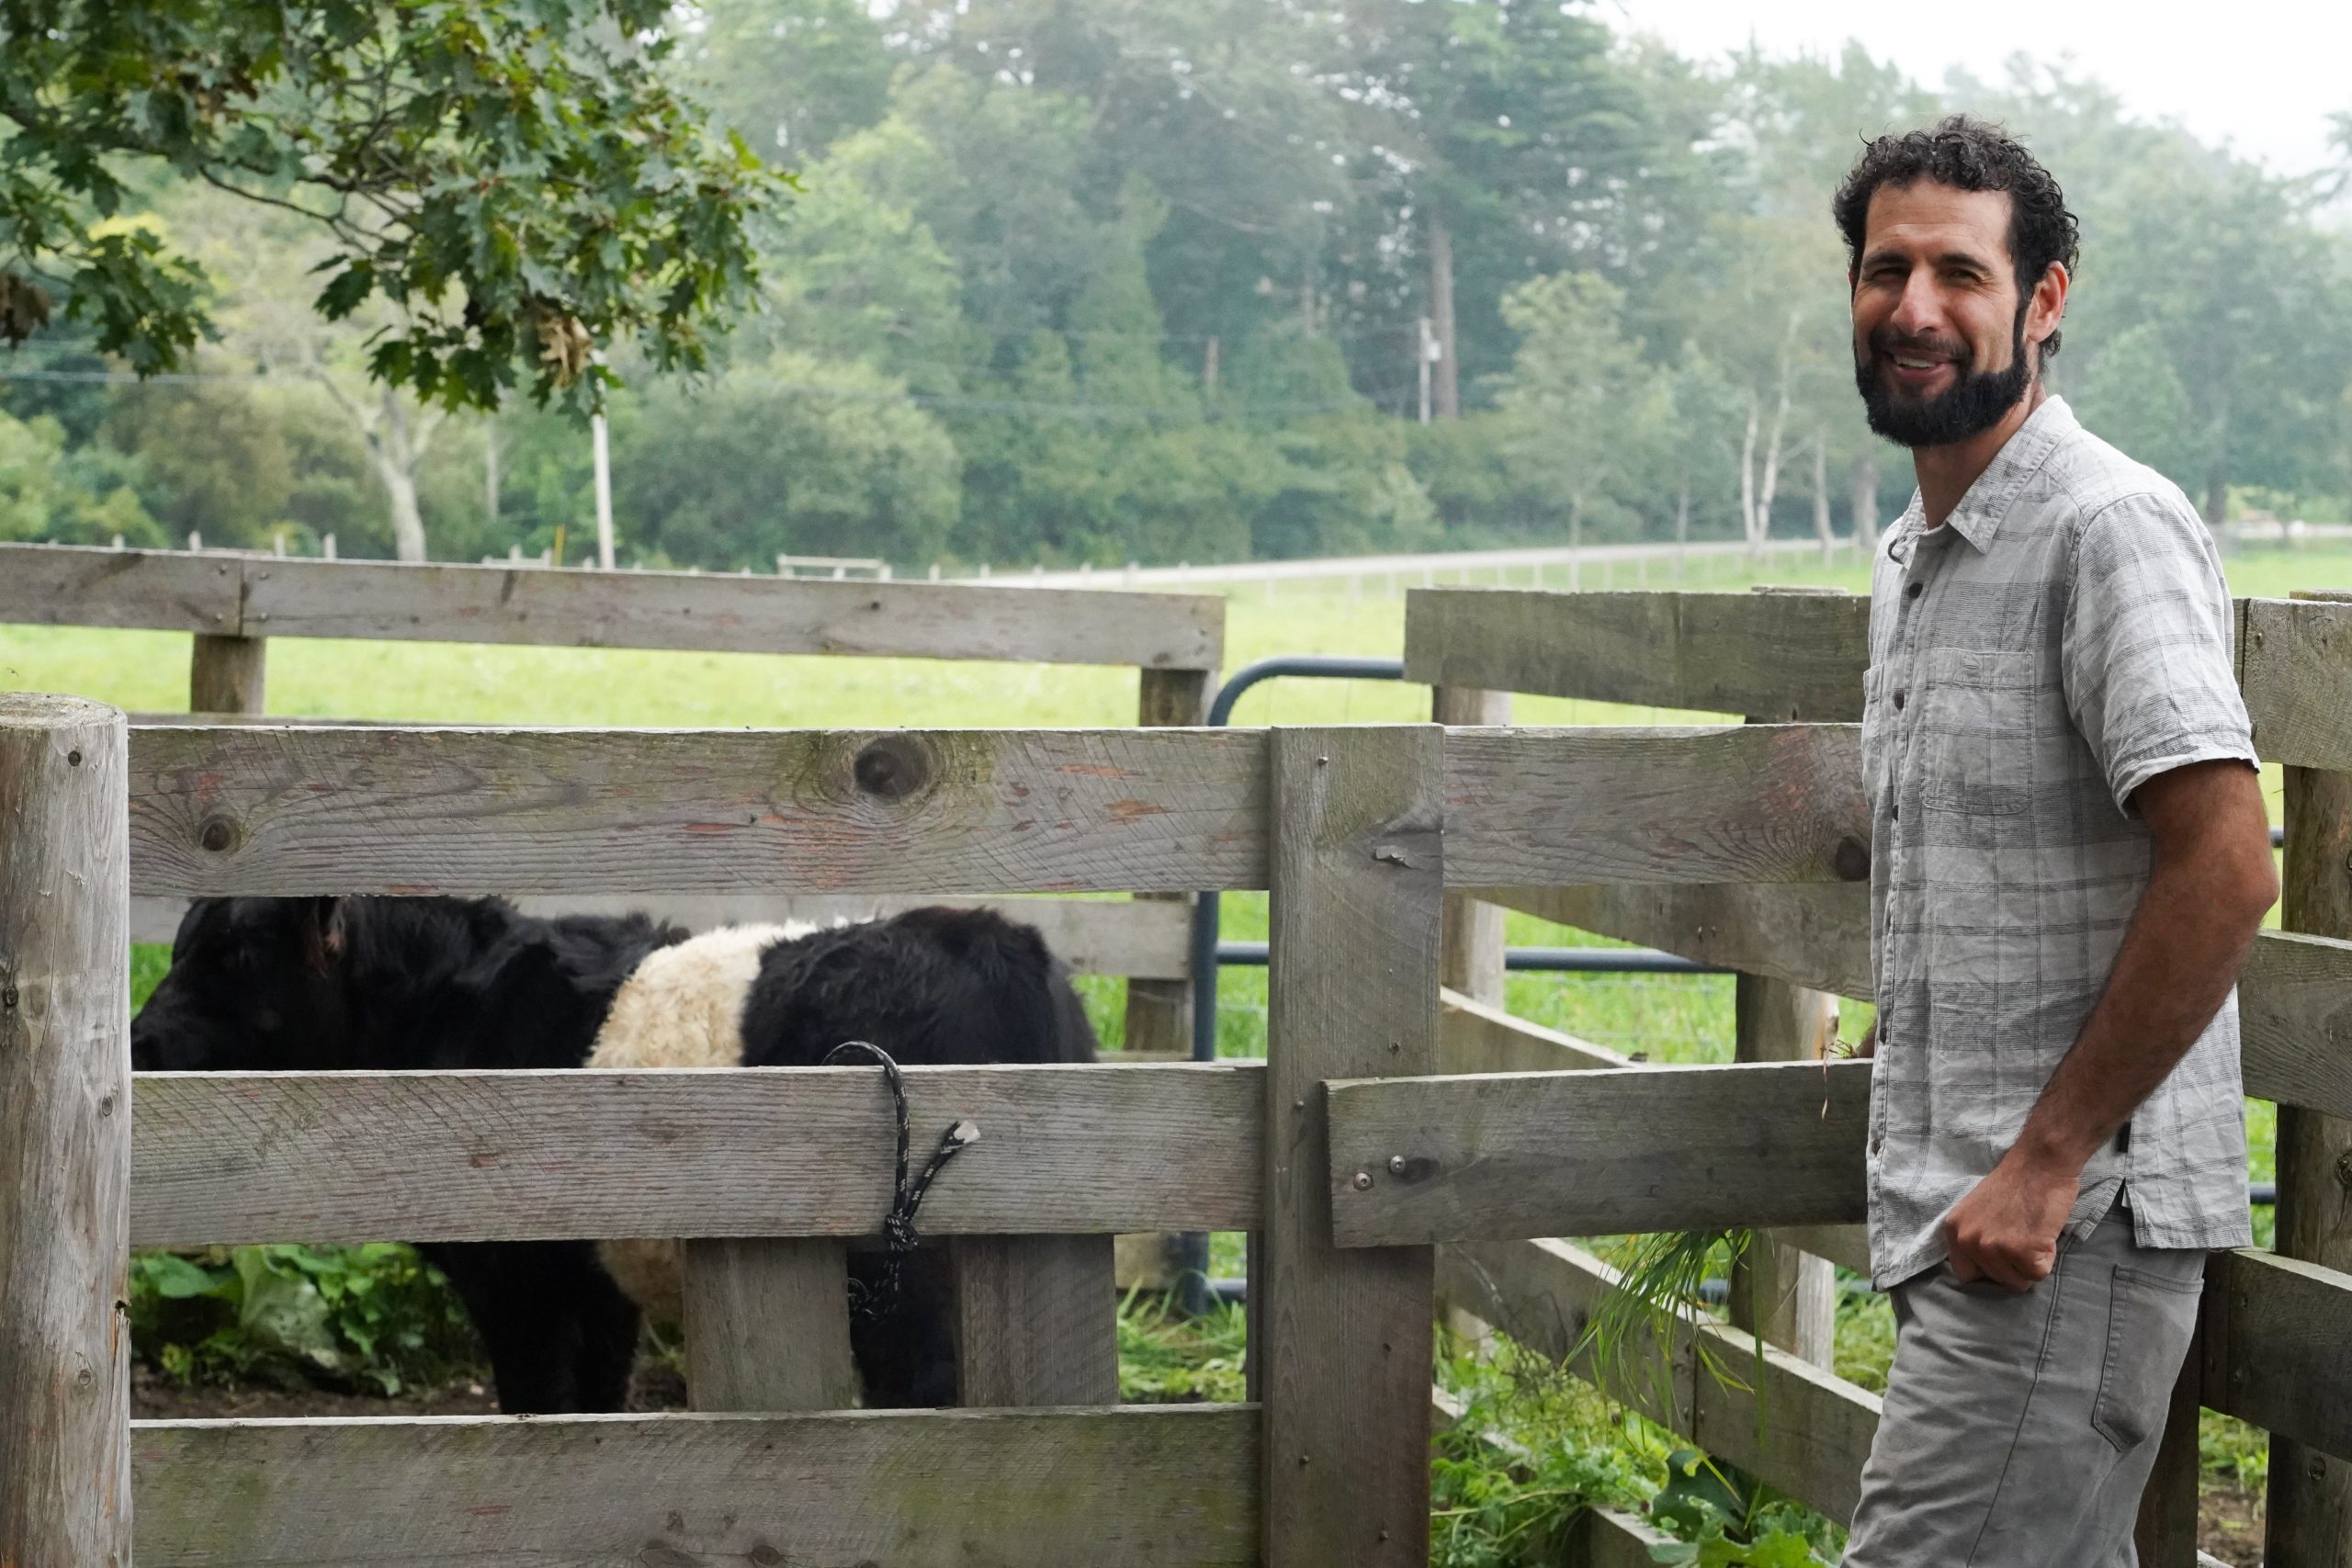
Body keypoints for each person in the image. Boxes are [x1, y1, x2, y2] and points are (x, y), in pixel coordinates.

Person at [1835, 116, 2279, 1566]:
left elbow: (2226, 864)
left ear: (2044, 302)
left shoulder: (2106, 528)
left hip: (2060, 1231)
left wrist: (2048, 1158)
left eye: (1959, 274)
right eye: (1884, 268)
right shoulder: (1916, 556)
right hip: (1963, 1209)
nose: (1913, 309)